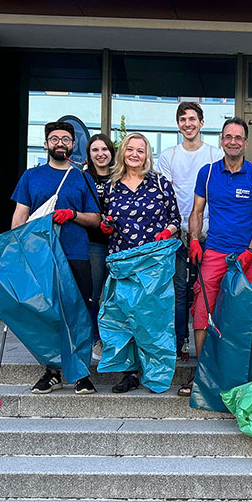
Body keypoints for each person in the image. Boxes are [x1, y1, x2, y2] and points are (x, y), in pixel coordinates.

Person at [10, 120, 101, 395]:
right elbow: (20, 215)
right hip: (41, 255)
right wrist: (16, 249)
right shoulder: (31, 177)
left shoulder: (83, 178)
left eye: (65, 139)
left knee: (81, 313)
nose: (60, 143)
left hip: (75, 254)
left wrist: (73, 214)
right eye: (54, 139)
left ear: (73, 145)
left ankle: (82, 373)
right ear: (46, 143)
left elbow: (96, 219)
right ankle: (52, 372)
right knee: (47, 313)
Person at [184, 117, 252, 396]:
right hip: (213, 254)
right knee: (202, 313)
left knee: (242, 317)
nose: (233, 141)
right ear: (221, 140)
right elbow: (197, 211)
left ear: (246, 143)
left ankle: (241, 378)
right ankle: (204, 375)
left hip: (246, 258)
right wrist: (195, 241)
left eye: (238, 137)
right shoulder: (207, 173)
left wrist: (249, 252)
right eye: (228, 136)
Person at [97, 132, 182, 393]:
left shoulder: (160, 184)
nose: (135, 154)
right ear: (123, 152)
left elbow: (175, 220)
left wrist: (166, 233)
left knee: (153, 318)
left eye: (140, 150)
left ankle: (155, 372)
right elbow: (104, 220)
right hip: (122, 262)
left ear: (147, 155)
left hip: (153, 263)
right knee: (124, 318)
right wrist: (106, 227)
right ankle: (129, 374)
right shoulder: (111, 186)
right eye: (130, 149)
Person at [157, 102, 223, 361]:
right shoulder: (168, 156)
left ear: (202, 123)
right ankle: (179, 341)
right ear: (178, 124)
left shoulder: (215, 155)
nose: (188, 123)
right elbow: (166, 197)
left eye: (192, 119)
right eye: (183, 119)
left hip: (209, 234)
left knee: (205, 289)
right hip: (176, 234)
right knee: (177, 290)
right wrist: (174, 229)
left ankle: (208, 341)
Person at [84, 133, 115, 336]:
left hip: (119, 244)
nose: (100, 154)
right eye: (95, 150)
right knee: (94, 295)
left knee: (115, 296)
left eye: (104, 149)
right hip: (93, 243)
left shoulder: (122, 175)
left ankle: (112, 339)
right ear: (89, 154)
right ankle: (94, 338)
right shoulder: (82, 177)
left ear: (111, 152)